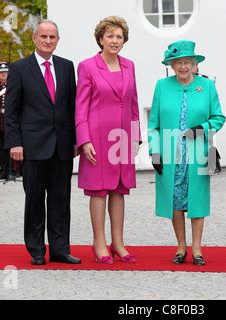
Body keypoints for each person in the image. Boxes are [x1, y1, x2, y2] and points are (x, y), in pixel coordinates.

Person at [5, 20, 81, 266]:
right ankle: (37, 250)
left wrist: (75, 140)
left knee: (61, 199)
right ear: (34, 39)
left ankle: (60, 249)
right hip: (32, 146)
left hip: (62, 146)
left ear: (58, 40)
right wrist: (15, 143)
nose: (48, 41)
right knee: (35, 199)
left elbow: (72, 108)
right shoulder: (20, 68)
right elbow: (12, 110)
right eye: (44, 36)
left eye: (53, 37)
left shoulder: (67, 67)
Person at [148, 40, 226, 266]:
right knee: (175, 200)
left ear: (194, 64)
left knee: (197, 200)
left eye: (187, 62)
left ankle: (197, 249)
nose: (183, 67)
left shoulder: (207, 86)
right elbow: (154, 124)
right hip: (170, 154)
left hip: (198, 151)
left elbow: (219, 117)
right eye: (178, 62)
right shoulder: (162, 86)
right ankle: (181, 247)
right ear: (171, 65)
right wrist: (155, 153)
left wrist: (201, 129)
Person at [75, 16, 141, 264]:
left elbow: (134, 103)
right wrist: (84, 140)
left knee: (119, 190)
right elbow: (80, 107)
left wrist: (135, 137)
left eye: (119, 37)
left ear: (124, 41)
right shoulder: (87, 66)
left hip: (122, 137)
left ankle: (119, 242)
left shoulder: (130, 65)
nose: (115, 40)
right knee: (99, 190)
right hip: (97, 138)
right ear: (101, 39)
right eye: (110, 36)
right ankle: (99, 242)